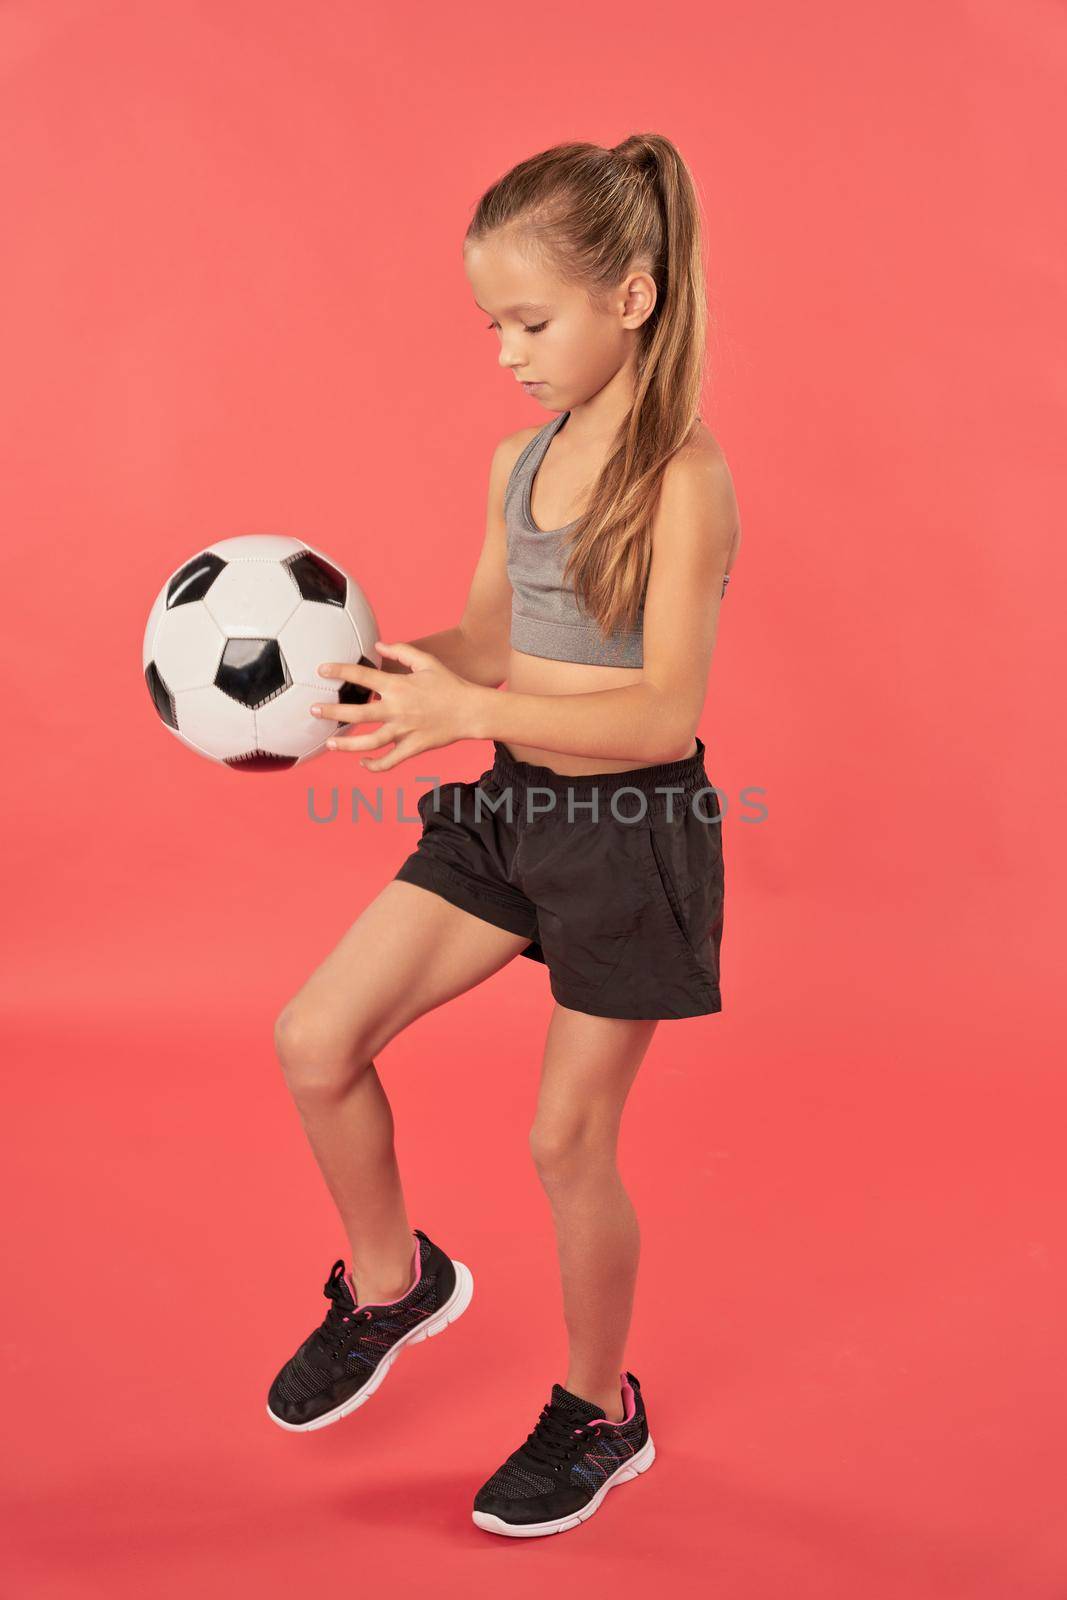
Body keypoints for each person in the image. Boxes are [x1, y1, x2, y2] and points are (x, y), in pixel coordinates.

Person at [266, 132, 741, 1539]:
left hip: (630, 830)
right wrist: (350, 677)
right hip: (511, 813)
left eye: (532, 322)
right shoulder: (515, 462)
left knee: (563, 1143)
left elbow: (661, 714)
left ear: (633, 301)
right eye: (494, 326)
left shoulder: (684, 480)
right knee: (314, 1038)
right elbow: (485, 633)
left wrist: (472, 704)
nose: (507, 354)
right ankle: (396, 1281)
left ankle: (602, 1414)